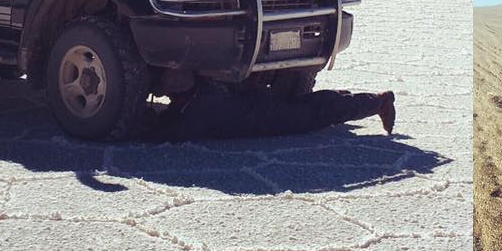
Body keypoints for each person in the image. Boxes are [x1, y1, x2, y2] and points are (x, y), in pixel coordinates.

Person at [149, 85, 396, 142]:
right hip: (260, 104)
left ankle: (378, 103)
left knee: (316, 113)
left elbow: (168, 134)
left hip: (267, 117)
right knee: (314, 107)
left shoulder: (196, 110)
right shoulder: (200, 97)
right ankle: (369, 100)